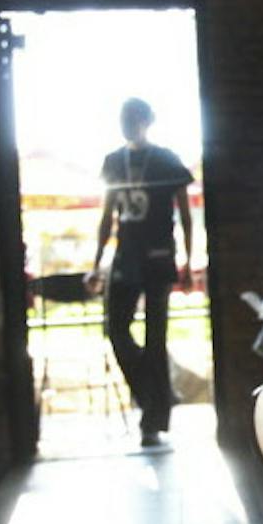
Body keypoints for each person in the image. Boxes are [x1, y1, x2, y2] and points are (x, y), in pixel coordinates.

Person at [86, 98, 193, 448]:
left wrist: (188, 262)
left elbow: (185, 214)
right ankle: (153, 395)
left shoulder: (166, 160)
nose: (127, 123)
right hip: (125, 256)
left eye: (133, 118)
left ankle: (153, 419)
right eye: (123, 118)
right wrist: (96, 262)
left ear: (148, 120)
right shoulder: (113, 162)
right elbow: (107, 216)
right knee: (116, 329)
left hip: (159, 256)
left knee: (156, 336)